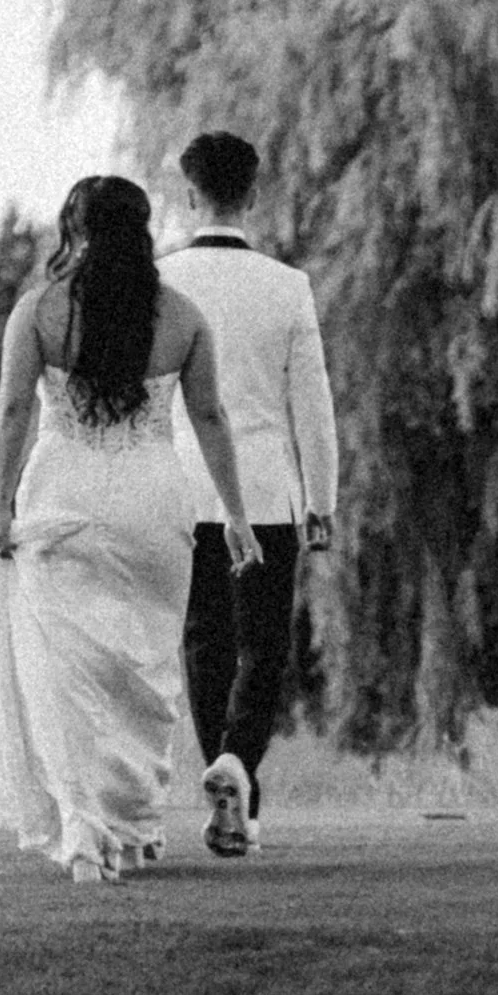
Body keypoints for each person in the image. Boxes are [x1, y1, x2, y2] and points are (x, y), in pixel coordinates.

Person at [0, 174, 259, 881]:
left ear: (76, 229)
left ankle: (85, 832)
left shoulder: (40, 311)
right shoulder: (183, 316)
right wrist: (237, 515)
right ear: (143, 228)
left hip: (63, 494)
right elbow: (211, 418)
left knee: (62, 670)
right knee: (143, 668)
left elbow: (11, 415)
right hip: (153, 503)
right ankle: (127, 827)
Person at [161, 130, 338, 860]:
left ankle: (224, 779)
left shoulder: (161, 279)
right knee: (263, 646)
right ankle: (239, 766)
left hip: (182, 489)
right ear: (254, 194)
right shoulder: (286, 286)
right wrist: (321, 499)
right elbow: (313, 406)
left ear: (189, 193)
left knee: (205, 641)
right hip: (266, 492)